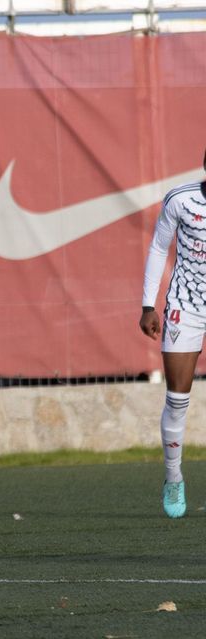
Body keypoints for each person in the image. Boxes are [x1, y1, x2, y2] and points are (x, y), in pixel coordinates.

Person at [140, 148, 206, 519]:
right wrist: (149, 305)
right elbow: (158, 247)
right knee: (177, 399)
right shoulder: (181, 200)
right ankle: (173, 477)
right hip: (187, 305)